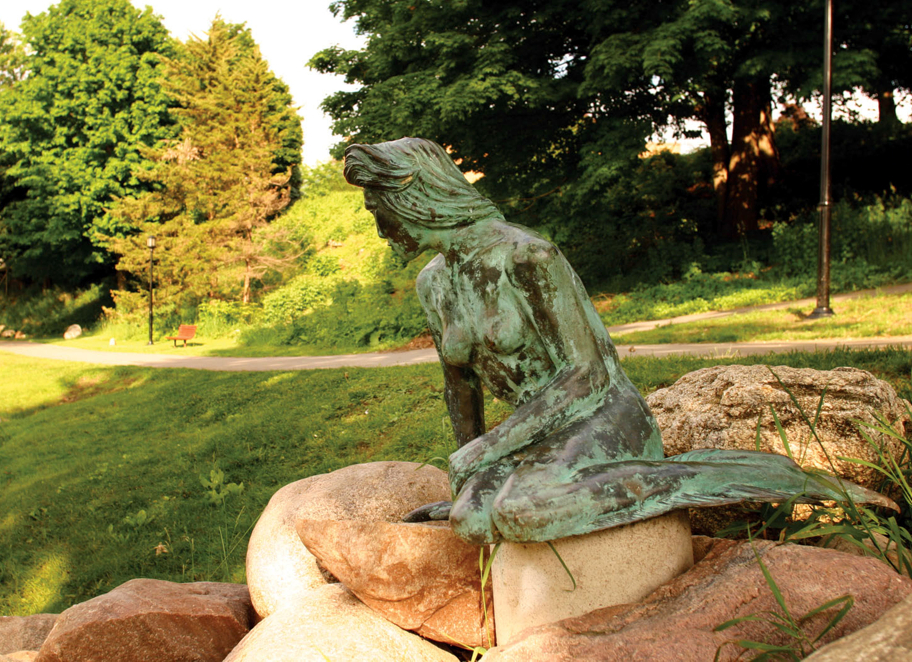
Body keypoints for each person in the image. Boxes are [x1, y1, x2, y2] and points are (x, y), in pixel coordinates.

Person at [344, 137, 893, 545]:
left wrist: (488, 449)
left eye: (378, 209)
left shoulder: (526, 256)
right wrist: (469, 469)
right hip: (531, 434)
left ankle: (687, 476)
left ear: (415, 198)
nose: (380, 227)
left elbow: (588, 375)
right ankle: (535, 486)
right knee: (469, 520)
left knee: (521, 514)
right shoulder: (433, 282)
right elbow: (459, 388)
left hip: (602, 417)